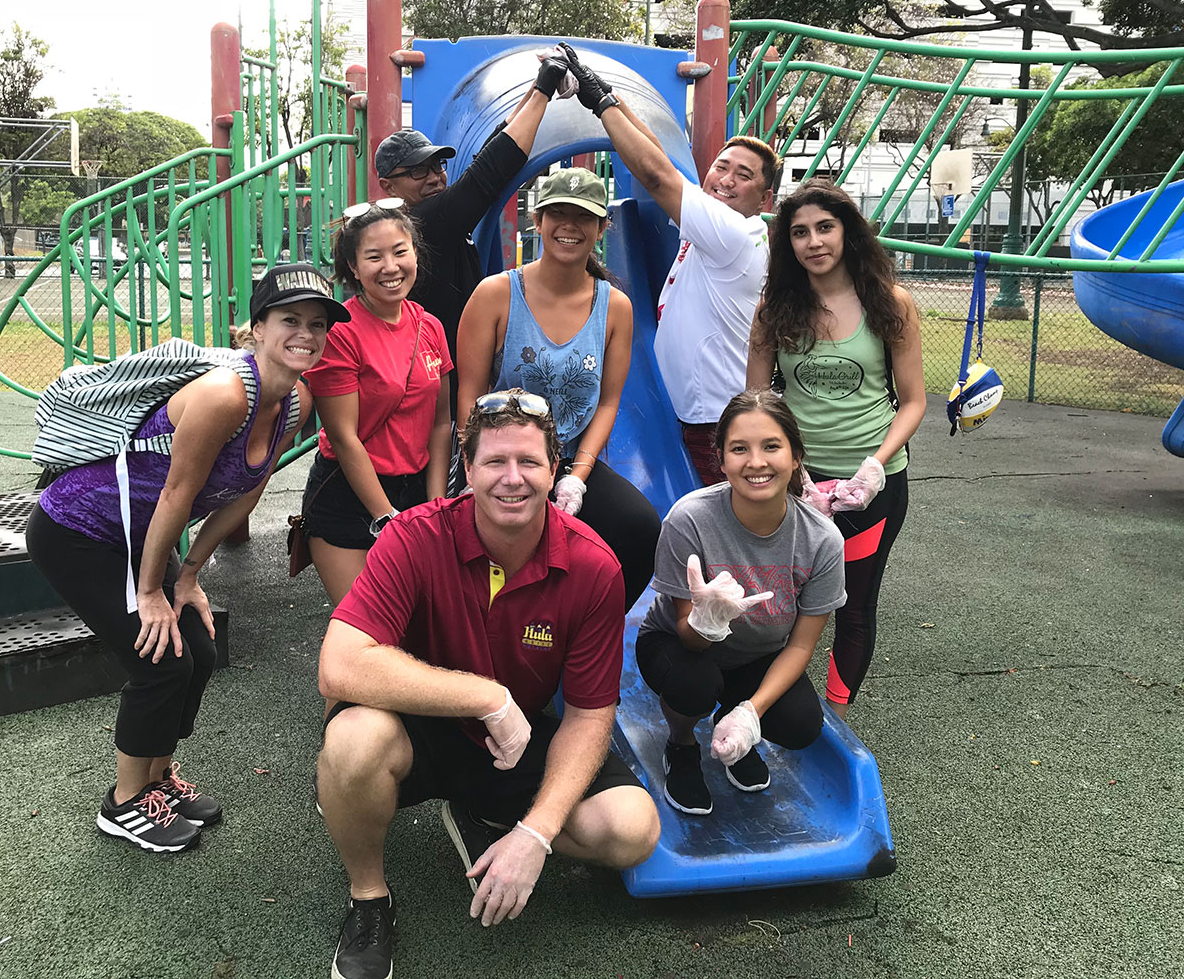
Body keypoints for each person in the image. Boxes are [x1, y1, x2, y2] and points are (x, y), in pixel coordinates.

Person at [316, 390, 660, 979]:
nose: (512, 479)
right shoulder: (413, 537)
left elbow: (588, 715)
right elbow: (340, 666)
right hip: (420, 729)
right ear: (467, 469)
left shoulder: (595, 567)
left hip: (514, 744)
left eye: (529, 462)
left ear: (555, 470)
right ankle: (370, 898)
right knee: (352, 741)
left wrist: (537, 833)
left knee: (631, 831)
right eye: (495, 462)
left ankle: (489, 818)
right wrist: (487, 697)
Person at [26, 263, 344, 853]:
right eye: (290, 320)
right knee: (159, 660)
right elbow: (177, 494)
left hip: (139, 536)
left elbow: (249, 488)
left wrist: (191, 574)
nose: (306, 334)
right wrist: (151, 593)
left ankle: (157, 780)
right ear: (257, 328)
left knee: (197, 648)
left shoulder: (296, 400)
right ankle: (123, 803)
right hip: (79, 530)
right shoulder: (224, 396)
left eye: (318, 324)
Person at [560, 43, 778, 486]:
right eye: (721, 167)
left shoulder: (733, 233)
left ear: (764, 198)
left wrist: (599, 101)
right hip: (692, 410)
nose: (726, 180)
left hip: (714, 417)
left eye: (744, 175)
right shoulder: (714, 225)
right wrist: (612, 100)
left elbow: (658, 175)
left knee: (720, 521)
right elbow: (657, 154)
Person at [747, 180, 926, 711]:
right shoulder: (773, 310)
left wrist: (874, 466)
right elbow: (755, 401)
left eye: (825, 227)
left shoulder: (891, 305)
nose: (814, 242)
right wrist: (792, 469)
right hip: (792, 483)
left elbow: (914, 401)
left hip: (872, 487)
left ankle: (836, 716)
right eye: (799, 232)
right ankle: (769, 706)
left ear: (848, 232)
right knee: (777, 603)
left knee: (853, 606)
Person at [455, 167, 662, 606]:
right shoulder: (495, 294)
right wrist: (479, 466)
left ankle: (583, 625)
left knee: (640, 528)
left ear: (602, 227)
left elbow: (607, 402)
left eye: (583, 217)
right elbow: (469, 397)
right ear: (538, 220)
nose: (570, 226)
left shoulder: (615, 307)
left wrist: (577, 477)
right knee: (501, 551)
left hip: (568, 462)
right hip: (503, 455)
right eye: (558, 213)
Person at [637, 391, 846, 815]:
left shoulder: (822, 541)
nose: (756, 462)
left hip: (758, 656)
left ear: (795, 455)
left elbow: (802, 646)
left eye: (771, 446)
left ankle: (732, 720)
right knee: (694, 683)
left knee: (800, 722)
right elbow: (685, 633)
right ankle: (680, 744)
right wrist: (706, 622)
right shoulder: (689, 519)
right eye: (739, 449)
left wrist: (751, 713)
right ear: (721, 458)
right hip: (682, 646)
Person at [377, 52, 572, 369]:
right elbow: (489, 173)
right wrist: (544, 89)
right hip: (435, 373)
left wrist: (538, 87)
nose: (434, 177)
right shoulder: (417, 224)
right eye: (416, 172)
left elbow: (488, 152)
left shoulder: (433, 215)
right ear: (388, 187)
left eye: (437, 165)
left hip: (449, 363)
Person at [301, 200, 453, 605]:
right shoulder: (341, 332)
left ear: (415, 253)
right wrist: (388, 518)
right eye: (374, 256)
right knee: (366, 631)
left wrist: (436, 503)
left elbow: (441, 423)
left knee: (420, 627)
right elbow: (344, 437)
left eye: (400, 252)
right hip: (350, 497)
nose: (390, 267)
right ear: (353, 267)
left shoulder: (430, 326)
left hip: (417, 490)